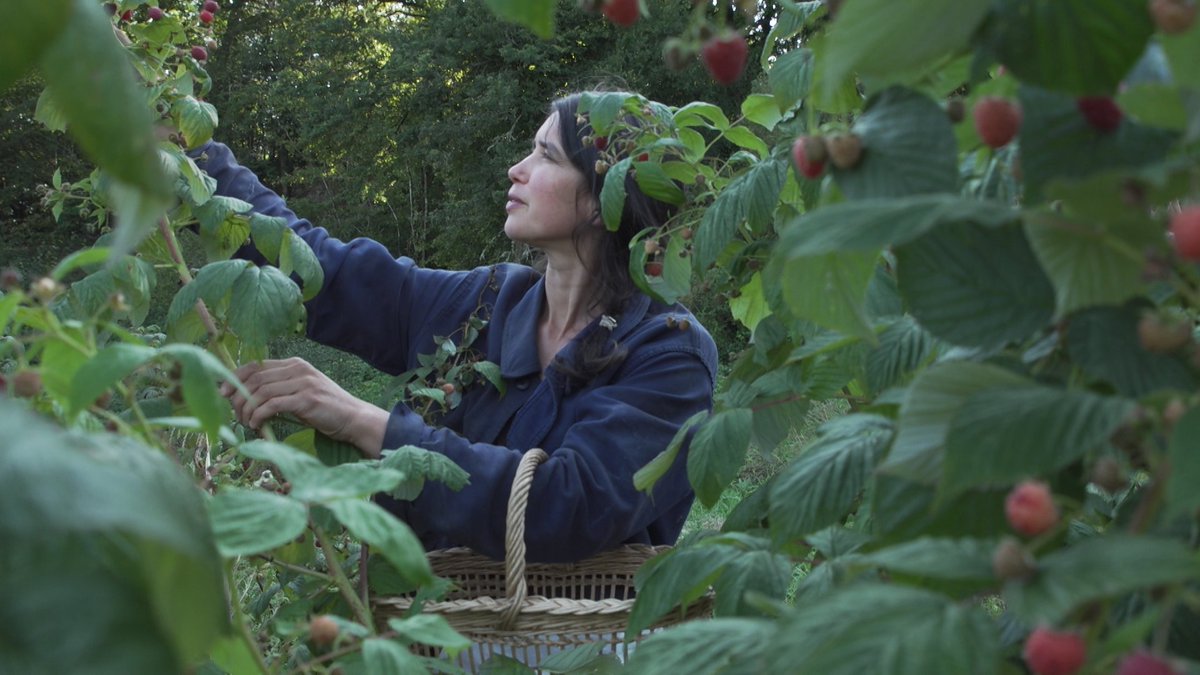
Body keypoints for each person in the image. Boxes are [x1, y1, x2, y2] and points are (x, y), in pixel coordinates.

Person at [199, 91, 718, 564]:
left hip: (578, 656)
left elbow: (564, 509)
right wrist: (193, 154)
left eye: (546, 157)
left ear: (605, 198)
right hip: (431, 640)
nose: (517, 169)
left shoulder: (670, 351)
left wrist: (366, 423)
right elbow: (326, 271)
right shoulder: (486, 302)